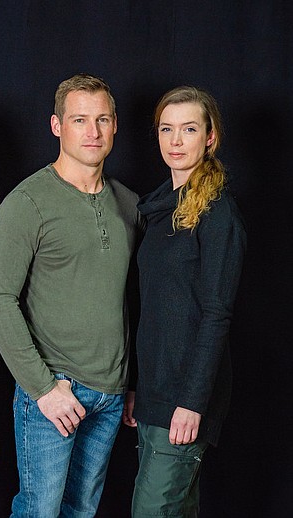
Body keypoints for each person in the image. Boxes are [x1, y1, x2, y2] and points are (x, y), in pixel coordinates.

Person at [0, 74, 143, 517]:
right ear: (57, 126)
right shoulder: (28, 202)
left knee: (82, 511)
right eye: (79, 120)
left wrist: (129, 382)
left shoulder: (129, 205)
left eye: (102, 120)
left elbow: (130, 300)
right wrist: (44, 388)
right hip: (55, 388)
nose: (92, 132)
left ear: (115, 126)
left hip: (110, 393)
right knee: (40, 511)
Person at [124, 86, 246, 517]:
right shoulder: (159, 210)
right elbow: (154, 309)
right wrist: (138, 386)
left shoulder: (217, 213)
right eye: (167, 129)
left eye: (189, 129)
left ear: (209, 137)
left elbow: (216, 315)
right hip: (156, 391)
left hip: (186, 396)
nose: (176, 141)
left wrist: (193, 401)